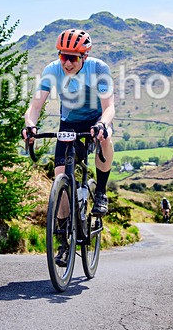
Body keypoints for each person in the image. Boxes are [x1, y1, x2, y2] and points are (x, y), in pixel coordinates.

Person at [22, 28, 115, 265]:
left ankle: (101, 192)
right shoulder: (52, 70)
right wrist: (30, 125)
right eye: (64, 56)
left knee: (106, 138)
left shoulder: (98, 69)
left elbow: (109, 107)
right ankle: (63, 241)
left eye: (73, 58)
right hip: (69, 123)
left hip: (96, 119)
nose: (67, 63)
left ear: (85, 56)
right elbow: (35, 106)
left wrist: (103, 125)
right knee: (60, 175)